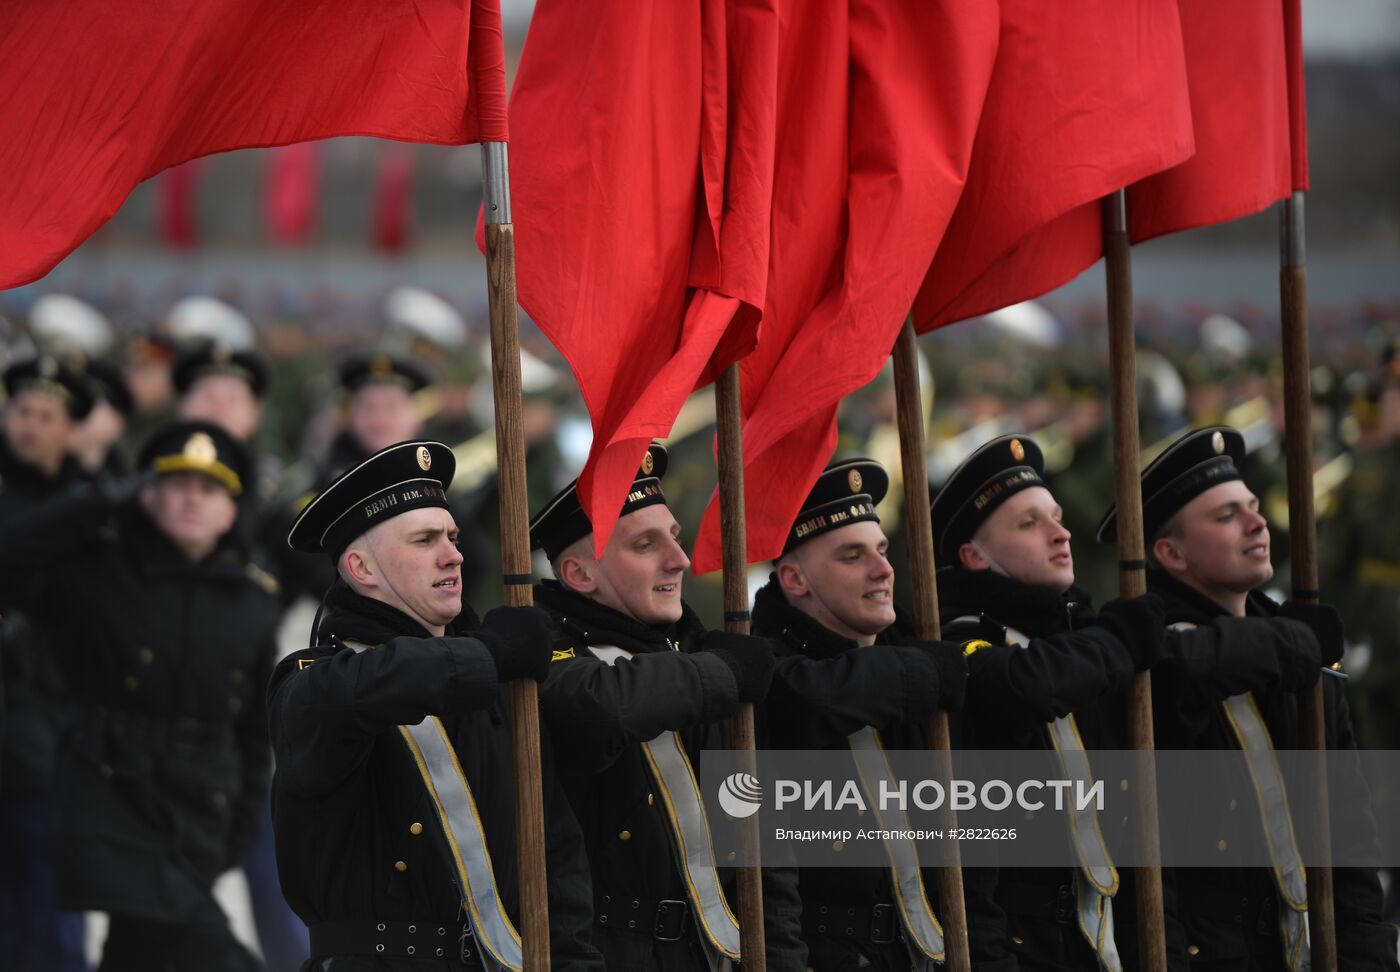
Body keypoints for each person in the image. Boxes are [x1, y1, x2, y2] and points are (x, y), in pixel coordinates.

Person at [272, 439, 602, 971]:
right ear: (361, 568)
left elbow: (554, 854)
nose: (454, 553)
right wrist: (489, 654)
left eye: (451, 535)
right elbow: (362, 690)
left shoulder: (491, 684)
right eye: (425, 540)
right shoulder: (312, 679)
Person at [1100, 425, 1399, 970]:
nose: (1258, 524)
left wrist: (1370, 957)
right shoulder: (1144, 660)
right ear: (1170, 552)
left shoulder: (1296, 657)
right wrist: (1303, 639)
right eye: (1225, 516)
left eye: (1253, 507)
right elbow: (1182, 666)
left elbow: (1349, 843)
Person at [0, 420, 280, 971]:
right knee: (218, 956)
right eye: (177, 486)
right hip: (109, 806)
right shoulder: (99, 575)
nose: (192, 501)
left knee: (139, 954)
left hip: (197, 818)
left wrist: (238, 827)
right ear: (147, 495)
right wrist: (96, 501)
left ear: (230, 510)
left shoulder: (251, 601)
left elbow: (251, 730)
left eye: (209, 490)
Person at [528, 443, 803, 971]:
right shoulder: (547, 651)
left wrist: (782, 958)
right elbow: (602, 704)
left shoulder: (693, 653)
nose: (679, 559)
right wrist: (725, 673)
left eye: (674, 538)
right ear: (580, 575)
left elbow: (763, 851)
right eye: (644, 545)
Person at [751, 457, 1011, 971]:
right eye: (853, 556)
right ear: (794, 579)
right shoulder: (765, 676)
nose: (883, 570)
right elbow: (804, 700)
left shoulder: (921, 661)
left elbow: (973, 861)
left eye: (883, 551)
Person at [0, 353, 95, 972]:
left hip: (52, 736)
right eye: (21, 411)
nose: (30, 425)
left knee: (55, 909)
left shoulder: (90, 507)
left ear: (70, 429)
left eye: (46, 415)